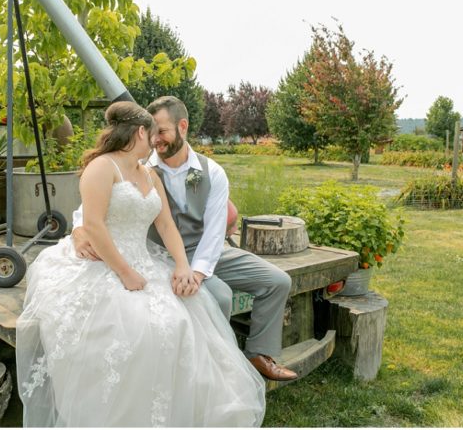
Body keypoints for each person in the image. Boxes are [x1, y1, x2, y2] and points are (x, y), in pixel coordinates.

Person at [16, 102, 265, 427]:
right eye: (153, 133)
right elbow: (93, 224)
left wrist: (181, 265)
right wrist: (125, 272)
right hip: (104, 262)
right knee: (137, 328)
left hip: (146, 261)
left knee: (177, 321)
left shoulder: (149, 173)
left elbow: (165, 226)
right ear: (139, 132)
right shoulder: (102, 168)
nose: (157, 142)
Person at [71, 95, 298, 381]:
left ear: (183, 126)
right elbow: (95, 211)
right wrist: (78, 231)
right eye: (151, 132)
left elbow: (215, 232)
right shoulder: (138, 165)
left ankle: (258, 354)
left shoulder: (212, 172)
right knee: (220, 296)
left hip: (205, 250)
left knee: (277, 281)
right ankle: (211, 370)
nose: (155, 139)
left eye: (162, 131)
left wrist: (197, 272)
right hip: (158, 254)